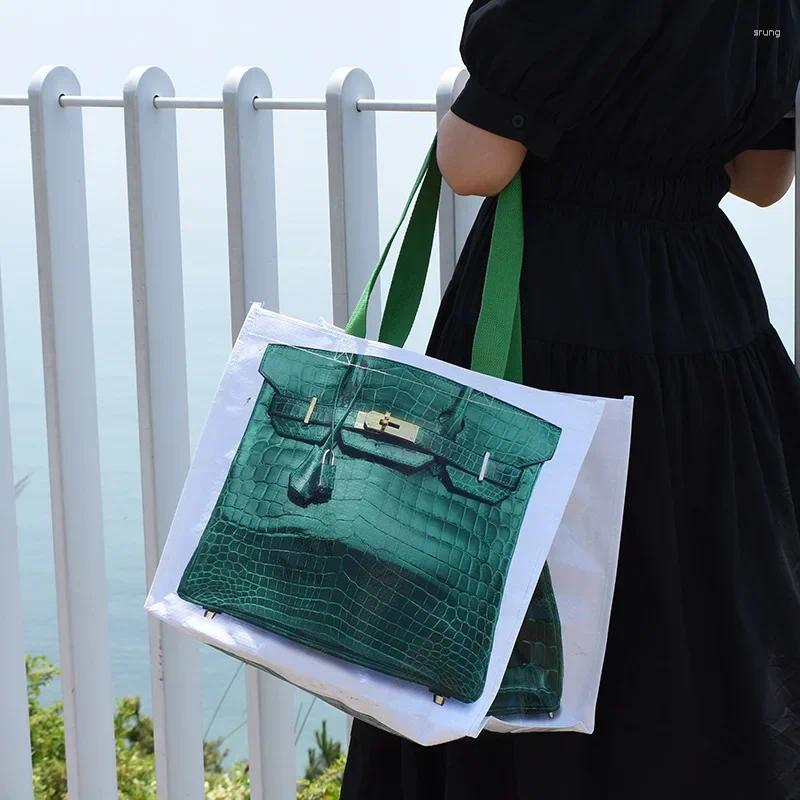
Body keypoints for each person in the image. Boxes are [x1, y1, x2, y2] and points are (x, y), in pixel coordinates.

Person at [340, 2, 800, 798]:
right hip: (705, 323)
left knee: (509, 625)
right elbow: (764, 180)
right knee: (697, 634)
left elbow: (475, 163)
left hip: (553, 317)